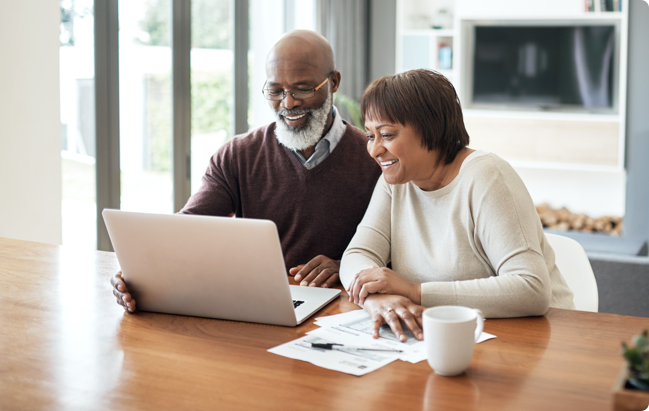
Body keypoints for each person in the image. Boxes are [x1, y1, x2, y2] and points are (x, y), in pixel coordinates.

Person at [111, 30, 381, 313]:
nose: (288, 104)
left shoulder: (375, 158)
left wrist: (348, 266)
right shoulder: (238, 155)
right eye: (276, 90)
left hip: (342, 311)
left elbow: (402, 259)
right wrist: (139, 273)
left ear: (333, 82)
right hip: (259, 307)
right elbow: (187, 231)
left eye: (302, 88)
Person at [340, 69, 575, 342]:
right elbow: (358, 253)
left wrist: (415, 292)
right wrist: (376, 300)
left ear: (432, 130)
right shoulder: (395, 182)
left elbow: (531, 289)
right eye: (370, 136)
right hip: (451, 334)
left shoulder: (486, 176)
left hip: (540, 337)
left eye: (388, 135)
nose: (375, 150)